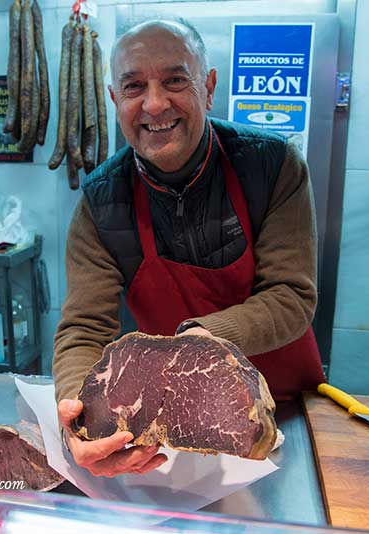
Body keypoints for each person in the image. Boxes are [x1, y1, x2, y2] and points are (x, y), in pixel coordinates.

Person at [53, 19, 325, 478]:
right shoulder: (101, 203)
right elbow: (83, 329)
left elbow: (291, 296)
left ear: (209, 86)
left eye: (175, 80)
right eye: (135, 86)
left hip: (289, 411)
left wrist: (203, 341)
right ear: (116, 99)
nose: (155, 104)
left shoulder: (272, 166)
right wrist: (78, 421)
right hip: (175, 424)